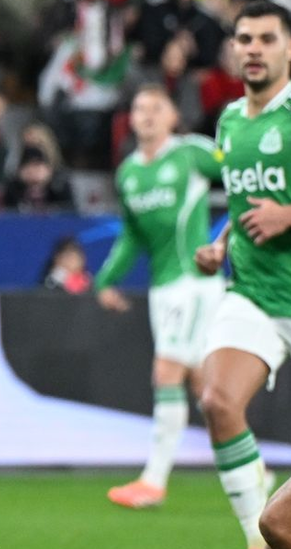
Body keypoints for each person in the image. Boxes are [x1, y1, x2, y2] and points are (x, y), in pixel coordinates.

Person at [59, 9, 291, 549]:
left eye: (267, 38)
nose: (252, 49)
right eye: (244, 39)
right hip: (255, 295)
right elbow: (232, 200)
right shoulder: (230, 123)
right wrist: (227, 237)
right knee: (220, 405)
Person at [93, 85, 224, 510]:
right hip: (163, 286)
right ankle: (253, 467)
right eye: (138, 108)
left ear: (173, 117)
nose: (145, 114)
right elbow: (132, 236)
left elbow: (242, 171)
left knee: (167, 371)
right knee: (208, 389)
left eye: (155, 108)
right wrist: (105, 279)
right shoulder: (129, 172)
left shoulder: (192, 153)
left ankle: (153, 480)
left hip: (195, 280)